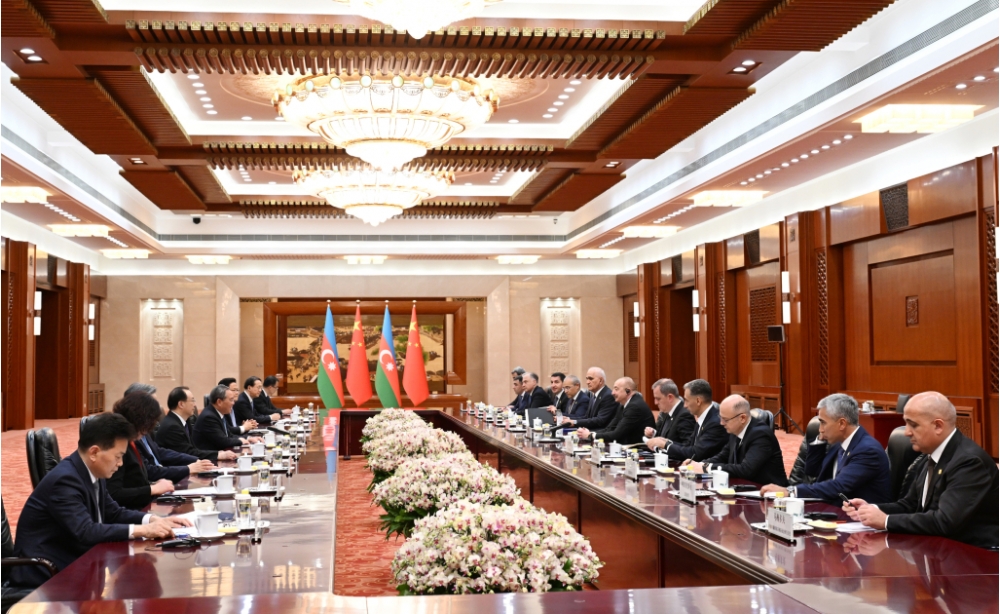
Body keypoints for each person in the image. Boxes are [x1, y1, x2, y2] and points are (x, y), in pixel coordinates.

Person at [11, 413, 190, 588]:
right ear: (94, 452)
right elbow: (85, 531)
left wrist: (152, 520)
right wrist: (143, 530)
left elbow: (113, 512)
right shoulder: (65, 480)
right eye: (118, 456)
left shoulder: (92, 471)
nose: (120, 463)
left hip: (74, 561)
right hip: (45, 571)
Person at [843, 392, 999, 548]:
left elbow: (944, 522)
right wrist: (872, 509)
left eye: (913, 425)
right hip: (939, 549)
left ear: (938, 426)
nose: (906, 432)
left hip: (976, 555)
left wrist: (886, 521)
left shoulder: (969, 462)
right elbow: (910, 505)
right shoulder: (929, 456)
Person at [760, 394, 890, 504]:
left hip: (859, 518)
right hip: (831, 509)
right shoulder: (839, 443)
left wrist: (790, 491)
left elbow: (839, 486)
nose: (820, 429)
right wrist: (820, 441)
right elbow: (812, 471)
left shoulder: (867, 450)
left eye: (823, 423)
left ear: (842, 424)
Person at [108, 392, 216, 509]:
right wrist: (152, 489)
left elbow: (155, 457)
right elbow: (115, 494)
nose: (149, 429)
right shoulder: (119, 447)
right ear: (141, 419)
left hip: (148, 500)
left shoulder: (133, 440)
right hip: (136, 508)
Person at [683, 395, 788, 486]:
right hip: (744, 488)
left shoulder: (761, 435)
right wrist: (699, 464)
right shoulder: (735, 429)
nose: (721, 423)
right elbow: (723, 456)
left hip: (769, 494)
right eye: (720, 418)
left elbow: (746, 470)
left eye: (725, 419)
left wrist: (707, 468)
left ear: (742, 418)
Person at [156, 386, 239, 463]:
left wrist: (218, 453)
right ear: (181, 404)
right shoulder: (172, 427)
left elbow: (193, 450)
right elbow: (188, 453)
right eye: (192, 400)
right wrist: (218, 454)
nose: (195, 404)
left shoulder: (184, 421)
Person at [653, 379, 727, 462]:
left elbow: (695, 453)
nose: (685, 405)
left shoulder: (715, 423)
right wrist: (667, 442)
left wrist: (666, 445)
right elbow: (688, 446)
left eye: (687, 400)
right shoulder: (703, 418)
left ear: (698, 401)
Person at [576, 377, 655, 446]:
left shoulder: (634, 406)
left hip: (638, 450)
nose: (612, 392)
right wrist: (589, 433)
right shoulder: (623, 404)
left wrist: (591, 435)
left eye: (616, 389)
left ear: (628, 391)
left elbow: (616, 435)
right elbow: (610, 428)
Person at [193, 385, 261, 451]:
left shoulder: (218, 413)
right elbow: (223, 441)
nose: (233, 403)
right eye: (231, 400)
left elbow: (229, 435)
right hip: (211, 456)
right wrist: (241, 441)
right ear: (219, 402)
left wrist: (248, 438)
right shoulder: (209, 417)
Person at [644, 379, 696, 452]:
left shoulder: (684, 415)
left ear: (670, 397)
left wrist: (666, 444)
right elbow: (663, 438)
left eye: (658, 399)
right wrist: (653, 434)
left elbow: (688, 447)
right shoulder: (667, 411)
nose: (655, 402)